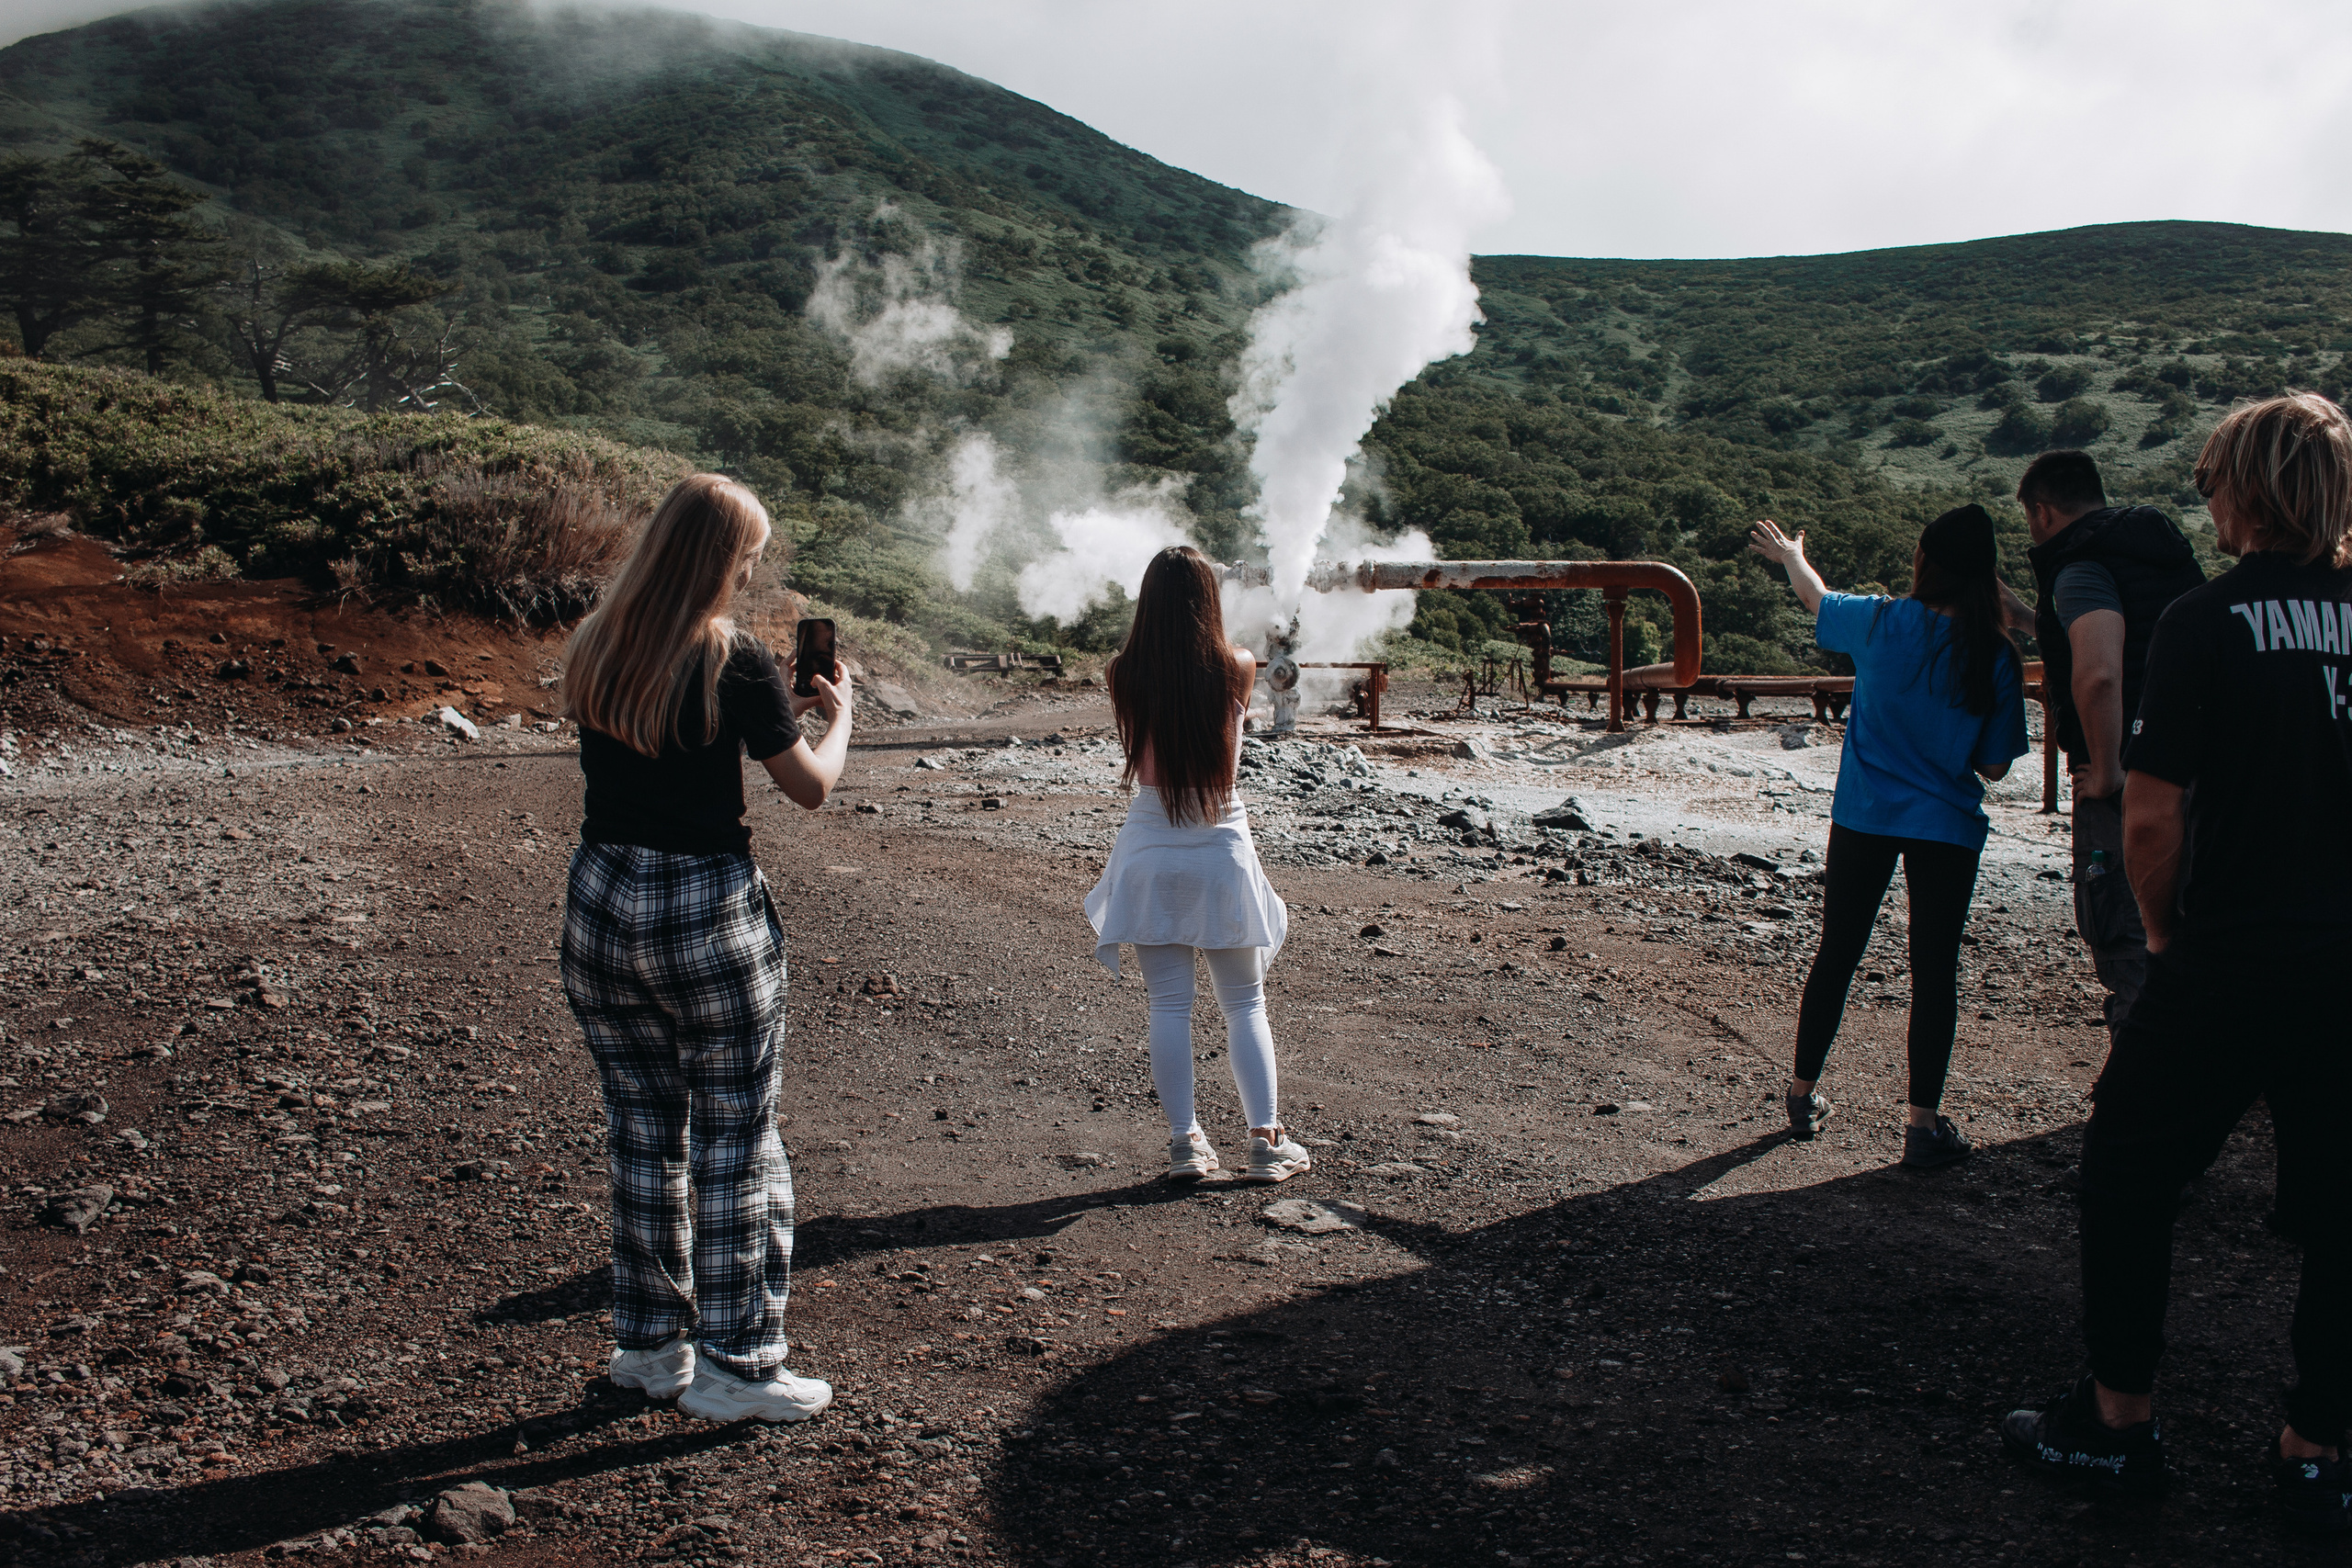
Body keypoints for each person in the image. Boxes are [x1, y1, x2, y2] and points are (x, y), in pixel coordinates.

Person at [2002, 394, 2352, 1534]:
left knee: (2128, 1174)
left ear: (2240, 490)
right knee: (2340, 1210)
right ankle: (2314, 1448)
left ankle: (2117, 1424)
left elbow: (2148, 820)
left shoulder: (2207, 619)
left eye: (2212, 482)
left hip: (2231, 952)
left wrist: (2161, 936)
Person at [558, 473, 853, 1424]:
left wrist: (773, 714)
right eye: (749, 557)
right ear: (720, 559)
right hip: (704, 909)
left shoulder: (599, 640)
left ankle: (649, 1348)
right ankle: (739, 1365)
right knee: (736, 1136)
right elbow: (807, 789)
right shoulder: (733, 656)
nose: (753, 571)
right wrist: (836, 720)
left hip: (601, 900)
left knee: (643, 1131)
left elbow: (666, 737)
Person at [1747, 505, 2030, 1168]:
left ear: (1925, 563)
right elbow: (1992, 765)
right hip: (1948, 825)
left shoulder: (1881, 620)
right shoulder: (1996, 654)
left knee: (1837, 951)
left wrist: (1791, 553)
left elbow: (1814, 596)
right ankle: (1921, 1125)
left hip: (1865, 813)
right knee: (1934, 971)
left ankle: (1802, 1091)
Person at [1084, 545, 1310, 1185]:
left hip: (1149, 847)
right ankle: (1265, 1140)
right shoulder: (1236, 666)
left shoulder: (1123, 673)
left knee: (1169, 1005)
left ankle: (1186, 1142)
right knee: (1244, 1002)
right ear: (1209, 599)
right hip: (1220, 846)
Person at [2008, 450, 2204, 1040]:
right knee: (2193, 925)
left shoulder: (2079, 567)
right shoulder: (2164, 555)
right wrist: (2025, 617)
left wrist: (2110, 770)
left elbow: (2099, 672)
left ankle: (2140, 1091)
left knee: (2126, 933)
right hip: (2197, 765)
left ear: (2042, 511)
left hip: (2131, 772)